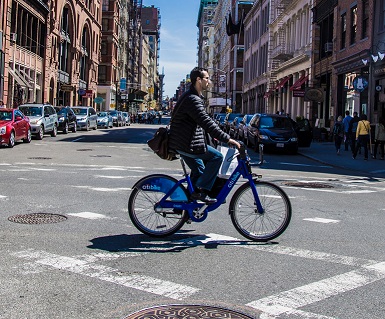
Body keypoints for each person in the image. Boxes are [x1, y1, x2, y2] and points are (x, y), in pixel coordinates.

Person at [168, 67, 240, 204]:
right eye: (206, 78)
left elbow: (205, 121)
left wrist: (219, 135)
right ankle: (201, 192)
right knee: (217, 157)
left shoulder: (192, 97)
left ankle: (187, 205)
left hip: (182, 142)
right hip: (186, 143)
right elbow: (206, 122)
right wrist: (228, 139)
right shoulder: (193, 99)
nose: (209, 81)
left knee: (199, 171)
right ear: (198, 80)